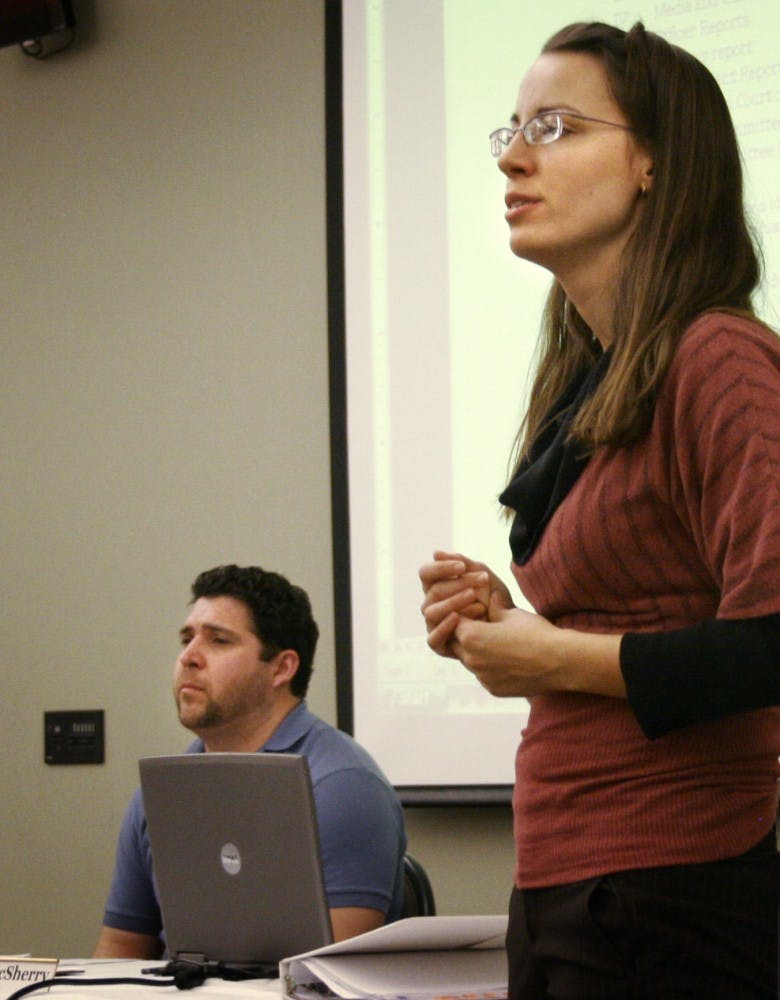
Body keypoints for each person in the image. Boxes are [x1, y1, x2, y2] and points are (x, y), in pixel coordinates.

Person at [419, 21, 779, 1000]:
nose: (516, 157)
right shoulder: (591, 375)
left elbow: (774, 643)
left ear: (655, 162)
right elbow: (639, 608)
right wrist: (505, 621)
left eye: (557, 126)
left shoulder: (721, 359)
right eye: (511, 130)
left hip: (673, 889)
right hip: (560, 870)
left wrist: (551, 653)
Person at [95, 564, 407, 959]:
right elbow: (119, 950)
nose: (189, 657)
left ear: (281, 667)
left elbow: (328, 977)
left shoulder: (343, 786)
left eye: (219, 641)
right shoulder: (159, 794)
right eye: (187, 639)